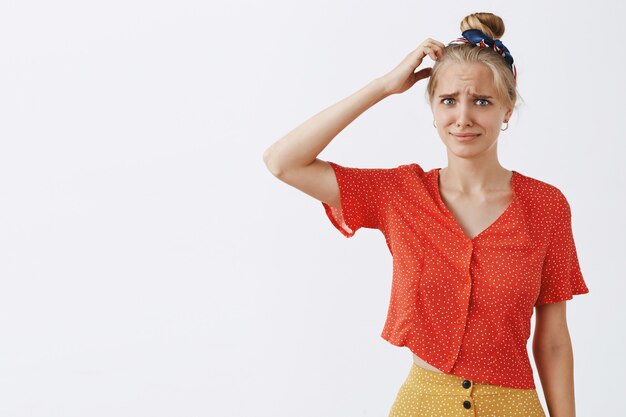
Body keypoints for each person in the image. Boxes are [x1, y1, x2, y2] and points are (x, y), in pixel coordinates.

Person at [263, 12, 589, 417]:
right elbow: (283, 162)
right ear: (433, 109)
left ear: (507, 109)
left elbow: (554, 340)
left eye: (482, 101)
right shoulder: (400, 194)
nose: (463, 117)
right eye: (448, 100)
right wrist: (384, 86)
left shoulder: (546, 205)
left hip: (514, 406)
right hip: (423, 404)